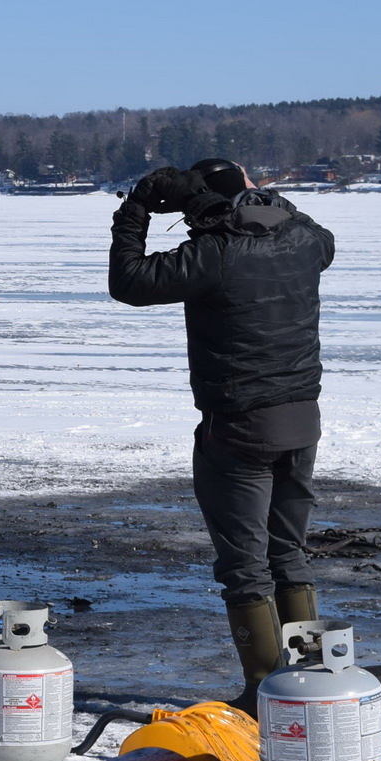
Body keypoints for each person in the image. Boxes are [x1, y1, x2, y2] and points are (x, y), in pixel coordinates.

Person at [108, 158, 336, 710]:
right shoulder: (305, 241)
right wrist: (245, 195)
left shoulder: (214, 253)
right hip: (301, 421)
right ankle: (310, 677)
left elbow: (129, 281)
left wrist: (135, 210)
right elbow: (313, 231)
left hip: (239, 427)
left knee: (245, 567)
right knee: (289, 553)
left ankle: (264, 691)